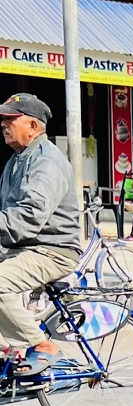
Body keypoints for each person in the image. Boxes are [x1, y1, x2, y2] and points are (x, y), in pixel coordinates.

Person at [0, 90, 82, 381]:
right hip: (25, 246)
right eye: (3, 120)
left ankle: (42, 345)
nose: (4, 125)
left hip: (52, 250)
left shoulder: (47, 162)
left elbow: (28, 217)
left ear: (33, 126)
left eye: (11, 119)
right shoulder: (17, 161)